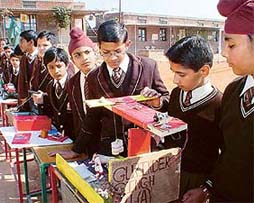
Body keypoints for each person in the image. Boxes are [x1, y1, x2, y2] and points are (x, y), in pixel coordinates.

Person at [182, 0, 254, 202]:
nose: (223, 52)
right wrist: (207, 188)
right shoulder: (234, 91)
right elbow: (227, 153)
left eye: (231, 44)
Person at [69, 20, 170, 158]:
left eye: (118, 51)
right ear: (98, 47)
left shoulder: (148, 67)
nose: (112, 58)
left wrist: (157, 102)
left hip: (143, 144)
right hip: (109, 147)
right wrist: (76, 149)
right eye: (106, 52)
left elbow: (166, 99)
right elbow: (92, 117)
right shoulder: (93, 77)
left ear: (127, 44)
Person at [165, 35, 223, 197]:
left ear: (204, 71)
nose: (175, 80)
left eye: (182, 74)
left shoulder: (220, 104)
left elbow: (226, 154)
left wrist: (206, 188)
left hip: (198, 180)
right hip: (170, 172)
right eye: (173, 72)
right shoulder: (176, 94)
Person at [48, 27, 97, 159]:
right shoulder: (73, 83)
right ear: (72, 59)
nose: (84, 58)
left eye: (87, 52)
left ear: (95, 52)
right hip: (84, 146)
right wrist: (77, 148)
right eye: (78, 55)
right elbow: (78, 119)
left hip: (107, 148)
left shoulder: (105, 77)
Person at [32, 47, 74, 139]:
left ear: (66, 65)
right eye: (51, 67)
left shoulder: (74, 84)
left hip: (74, 136)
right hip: (57, 135)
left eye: (59, 66)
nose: (56, 71)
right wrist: (42, 101)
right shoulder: (50, 86)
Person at [17, 30, 38, 110]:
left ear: (31, 42)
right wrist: (22, 96)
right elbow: (21, 79)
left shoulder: (41, 58)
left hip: (38, 98)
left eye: (22, 41)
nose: (20, 45)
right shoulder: (24, 58)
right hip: (27, 99)